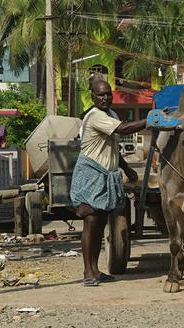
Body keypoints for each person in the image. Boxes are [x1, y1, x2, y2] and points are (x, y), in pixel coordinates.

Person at [70, 74, 146, 286]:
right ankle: (88, 271)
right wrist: (149, 120)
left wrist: (126, 168)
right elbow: (123, 129)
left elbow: (112, 148)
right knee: (91, 223)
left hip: (106, 175)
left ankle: (96, 269)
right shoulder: (95, 116)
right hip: (92, 175)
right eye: (101, 95)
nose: (105, 98)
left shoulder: (110, 114)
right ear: (93, 96)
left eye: (108, 94)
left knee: (100, 223)